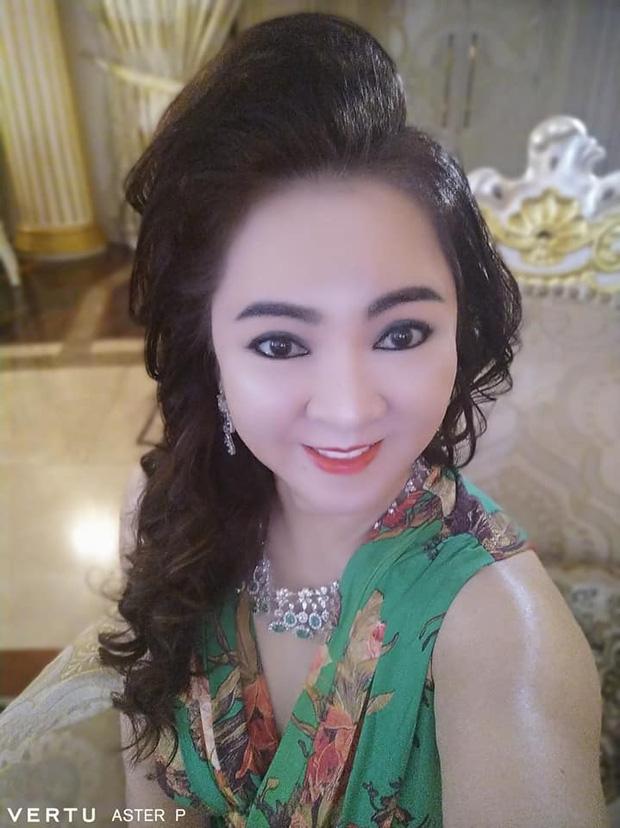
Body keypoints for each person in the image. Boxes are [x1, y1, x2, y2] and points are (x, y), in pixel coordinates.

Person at [0, 12, 606, 828]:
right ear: (210, 353)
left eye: (400, 333)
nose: (349, 407)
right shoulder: (163, 516)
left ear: (460, 334)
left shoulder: (497, 636)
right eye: (281, 343)